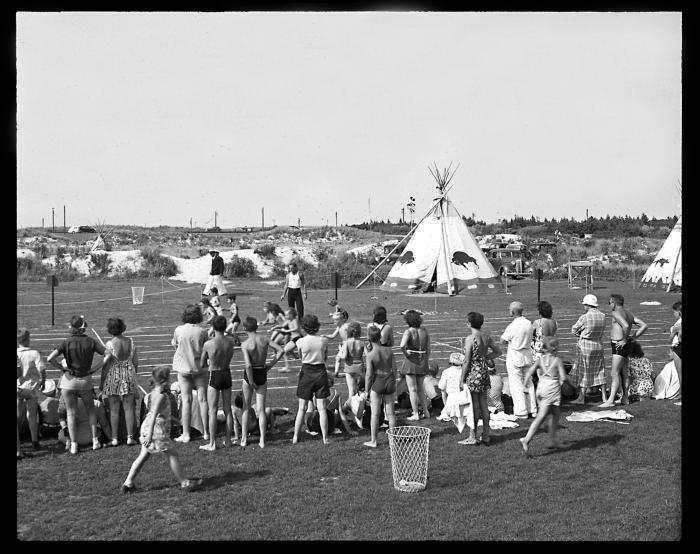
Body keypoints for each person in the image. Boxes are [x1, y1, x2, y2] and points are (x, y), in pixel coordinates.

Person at [122, 366, 201, 493]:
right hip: (156, 430)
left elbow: (158, 413)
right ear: (165, 380)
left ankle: (128, 483)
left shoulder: (154, 392)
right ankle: (185, 483)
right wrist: (149, 436)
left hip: (148, 426)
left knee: (143, 455)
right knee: (172, 454)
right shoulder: (161, 396)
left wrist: (175, 420)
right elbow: (154, 415)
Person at [46, 315, 109, 454]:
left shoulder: (66, 342)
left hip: (68, 381)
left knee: (71, 413)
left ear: (72, 328)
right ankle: (95, 441)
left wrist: (62, 368)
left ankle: (73, 444)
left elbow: (50, 358)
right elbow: (108, 354)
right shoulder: (91, 341)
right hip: (85, 380)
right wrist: (95, 369)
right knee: (91, 411)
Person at [520, 337, 577, 457]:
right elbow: (563, 377)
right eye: (556, 345)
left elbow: (530, 371)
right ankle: (526, 439)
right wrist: (573, 386)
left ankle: (553, 440)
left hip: (541, 388)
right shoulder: (557, 360)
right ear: (554, 348)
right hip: (551, 389)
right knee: (541, 416)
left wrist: (525, 384)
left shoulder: (540, 360)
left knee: (555, 413)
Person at [240, 316, 285, 448]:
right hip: (262, 372)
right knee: (261, 409)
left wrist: (251, 381)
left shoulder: (245, 344)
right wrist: (270, 365)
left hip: (250, 375)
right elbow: (281, 350)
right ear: (257, 327)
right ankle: (262, 440)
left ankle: (243, 438)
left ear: (244, 328)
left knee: (246, 408)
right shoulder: (264, 339)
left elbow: (248, 365)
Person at [460, 311, 502, 445]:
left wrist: (461, 378)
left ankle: (472, 436)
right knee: (484, 405)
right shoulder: (486, 336)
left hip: (473, 373)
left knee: (474, 406)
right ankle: (486, 435)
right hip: (484, 372)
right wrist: (486, 358)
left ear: (469, 323)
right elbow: (498, 351)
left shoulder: (470, 338)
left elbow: (467, 360)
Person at [600, 294, 648, 407]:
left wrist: (625, 339)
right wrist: (633, 338)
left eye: (609, 303)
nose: (609, 305)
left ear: (614, 303)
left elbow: (625, 325)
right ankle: (625, 398)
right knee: (624, 373)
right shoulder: (629, 313)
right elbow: (644, 325)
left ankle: (610, 400)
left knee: (614, 373)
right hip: (625, 345)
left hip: (619, 345)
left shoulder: (616, 313)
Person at [171, 304, 209, 443]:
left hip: (183, 368)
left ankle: (186, 434)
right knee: (203, 399)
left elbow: (174, 344)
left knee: (186, 400)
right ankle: (206, 432)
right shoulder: (203, 331)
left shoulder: (179, 329)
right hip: (200, 367)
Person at [292, 314, 331, 444]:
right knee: (322, 408)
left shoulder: (300, 341)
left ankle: (295, 436)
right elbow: (325, 358)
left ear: (304, 327)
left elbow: (299, 356)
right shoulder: (324, 340)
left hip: (307, 373)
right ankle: (325, 438)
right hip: (320, 372)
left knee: (301, 408)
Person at [100, 318, 139, 447]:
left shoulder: (109, 344)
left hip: (114, 376)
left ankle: (115, 438)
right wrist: (133, 376)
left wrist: (102, 382)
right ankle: (130, 437)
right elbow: (135, 363)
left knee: (114, 409)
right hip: (128, 374)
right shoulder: (131, 342)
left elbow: (105, 366)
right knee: (129, 408)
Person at [199, 315, 235, 451]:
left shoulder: (208, 344)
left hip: (215, 375)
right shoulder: (230, 341)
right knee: (228, 409)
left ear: (213, 327)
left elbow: (202, 363)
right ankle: (228, 440)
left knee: (212, 410)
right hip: (227, 373)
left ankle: (213, 443)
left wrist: (209, 361)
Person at [500, 301, 536, 419]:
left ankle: (521, 411)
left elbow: (502, 340)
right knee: (529, 382)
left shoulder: (512, 326)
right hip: (527, 354)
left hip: (515, 355)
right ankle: (533, 409)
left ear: (513, 311)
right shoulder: (529, 323)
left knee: (516, 385)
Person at [569, 294, 607, 405]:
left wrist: (580, 334)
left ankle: (581, 398)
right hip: (598, 344)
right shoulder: (603, 316)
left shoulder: (585, 317)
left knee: (584, 371)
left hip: (586, 346)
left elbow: (574, 329)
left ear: (587, 305)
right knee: (600, 370)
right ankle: (604, 397)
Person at [363, 325, 397, 447]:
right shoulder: (389, 350)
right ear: (380, 337)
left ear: (369, 338)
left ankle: (374, 440)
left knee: (375, 414)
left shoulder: (370, 355)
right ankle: (393, 440)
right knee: (391, 413)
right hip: (389, 379)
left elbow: (369, 374)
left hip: (378, 381)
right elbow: (395, 369)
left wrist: (366, 390)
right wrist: (394, 383)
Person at [399, 310, 431, 421]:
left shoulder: (408, 331)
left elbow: (402, 345)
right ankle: (426, 411)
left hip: (411, 361)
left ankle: (416, 413)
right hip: (422, 359)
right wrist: (426, 360)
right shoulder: (425, 331)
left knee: (412, 389)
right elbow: (428, 348)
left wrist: (406, 352)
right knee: (421, 388)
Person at [17, 329, 45, 450]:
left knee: (18, 415)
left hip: (18, 386)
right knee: (32, 415)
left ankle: (19, 440)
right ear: (28, 339)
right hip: (31, 387)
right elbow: (42, 369)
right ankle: (34, 440)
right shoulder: (34, 353)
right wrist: (43, 380)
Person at [438, 353, 471, 433]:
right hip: (465, 399)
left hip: (452, 400)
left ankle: (447, 409)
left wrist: (445, 404)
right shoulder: (467, 372)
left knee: (448, 410)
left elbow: (442, 388)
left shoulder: (446, 372)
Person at [337, 320, 365, 398]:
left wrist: (340, 351)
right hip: (360, 367)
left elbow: (344, 356)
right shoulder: (362, 342)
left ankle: (351, 407)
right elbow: (367, 354)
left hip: (349, 368)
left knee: (351, 391)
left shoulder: (346, 342)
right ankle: (362, 407)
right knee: (361, 391)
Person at [270, 308, 301, 372]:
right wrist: (275, 327)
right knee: (286, 351)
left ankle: (287, 367)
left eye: (287, 315)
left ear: (292, 315)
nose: (286, 316)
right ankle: (288, 366)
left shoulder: (295, 320)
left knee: (285, 351)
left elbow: (296, 328)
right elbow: (282, 326)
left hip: (298, 338)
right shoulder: (288, 321)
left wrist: (287, 330)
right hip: (294, 339)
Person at [323, 308, 350, 375]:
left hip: (348, 344)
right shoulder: (339, 327)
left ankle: (350, 371)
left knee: (346, 358)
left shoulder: (346, 326)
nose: (334, 322)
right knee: (338, 358)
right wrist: (325, 335)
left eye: (335, 320)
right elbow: (332, 336)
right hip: (344, 345)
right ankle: (336, 372)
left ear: (340, 320)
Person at [670, 301, 681, 396]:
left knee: (680, 374)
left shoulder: (678, 325)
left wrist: (673, 331)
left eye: (674, 312)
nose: (674, 314)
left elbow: (671, 339)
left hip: (678, 348)